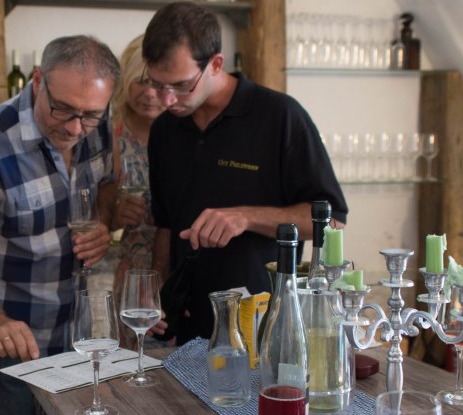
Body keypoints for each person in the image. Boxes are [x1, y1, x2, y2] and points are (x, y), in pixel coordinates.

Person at [0, 35, 120, 415]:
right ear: (37, 80)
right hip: (11, 336)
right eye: (63, 109)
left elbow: (107, 183)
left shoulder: (98, 123)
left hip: (80, 329)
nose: (75, 127)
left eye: (89, 115)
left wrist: (103, 222)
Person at [142, 2, 348, 344]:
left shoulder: (279, 117)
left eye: (180, 85)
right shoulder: (165, 130)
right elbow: (165, 225)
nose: (166, 99)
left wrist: (246, 217)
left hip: (265, 324)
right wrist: (160, 293)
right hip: (188, 330)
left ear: (216, 64)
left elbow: (332, 222)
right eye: (155, 84)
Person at [109, 34, 165, 347]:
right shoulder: (110, 134)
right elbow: (87, 213)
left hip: (177, 268)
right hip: (131, 270)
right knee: (133, 365)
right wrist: (115, 217)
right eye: (139, 82)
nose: (149, 94)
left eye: (157, 84)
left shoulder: (182, 133)